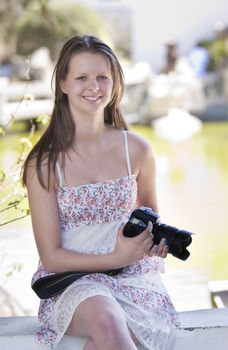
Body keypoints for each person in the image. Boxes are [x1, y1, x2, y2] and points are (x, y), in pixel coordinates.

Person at [23, 35, 179, 350]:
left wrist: (154, 243)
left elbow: (150, 219)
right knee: (107, 319)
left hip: (133, 279)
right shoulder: (44, 163)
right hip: (71, 283)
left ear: (115, 83)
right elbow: (51, 257)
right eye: (81, 77)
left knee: (105, 338)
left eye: (102, 77)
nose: (93, 86)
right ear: (63, 84)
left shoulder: (136, 149)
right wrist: (114, 256)